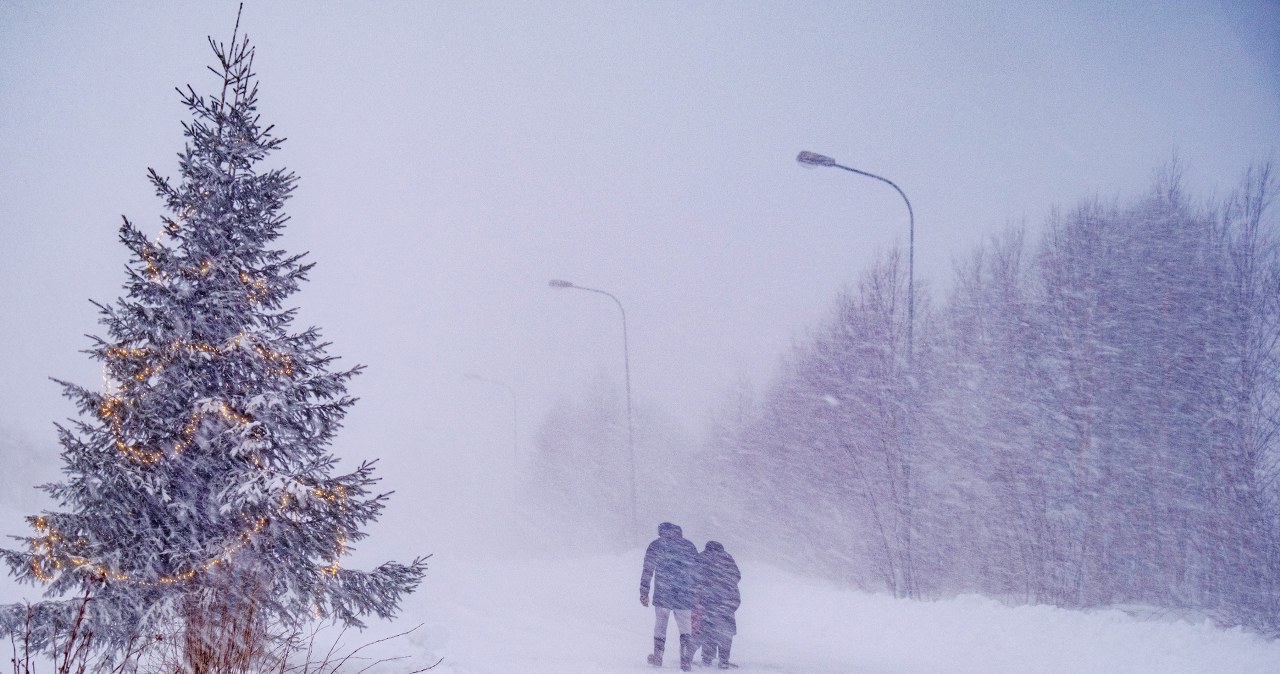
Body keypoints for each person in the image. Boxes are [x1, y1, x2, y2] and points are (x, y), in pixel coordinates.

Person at [639, 522, 699, 670]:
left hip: (663, 593)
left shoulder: (656, 545)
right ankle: (685, 660)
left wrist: (644, 592)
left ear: (661, 532)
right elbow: (697, 571)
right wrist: (696, 592)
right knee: (685, 629)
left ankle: (658, 657)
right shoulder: (689, 546)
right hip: (684, 594)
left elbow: (648, 569)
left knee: (660, 626)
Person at [694, 540, 741, 669]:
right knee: (726, 631)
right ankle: (724, 660)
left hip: (708, 600)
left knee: (708, 628)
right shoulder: (727, 557)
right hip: (728, 599)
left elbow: (693, 577)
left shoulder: (702, 557)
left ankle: (707, 658)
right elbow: (737, 576)